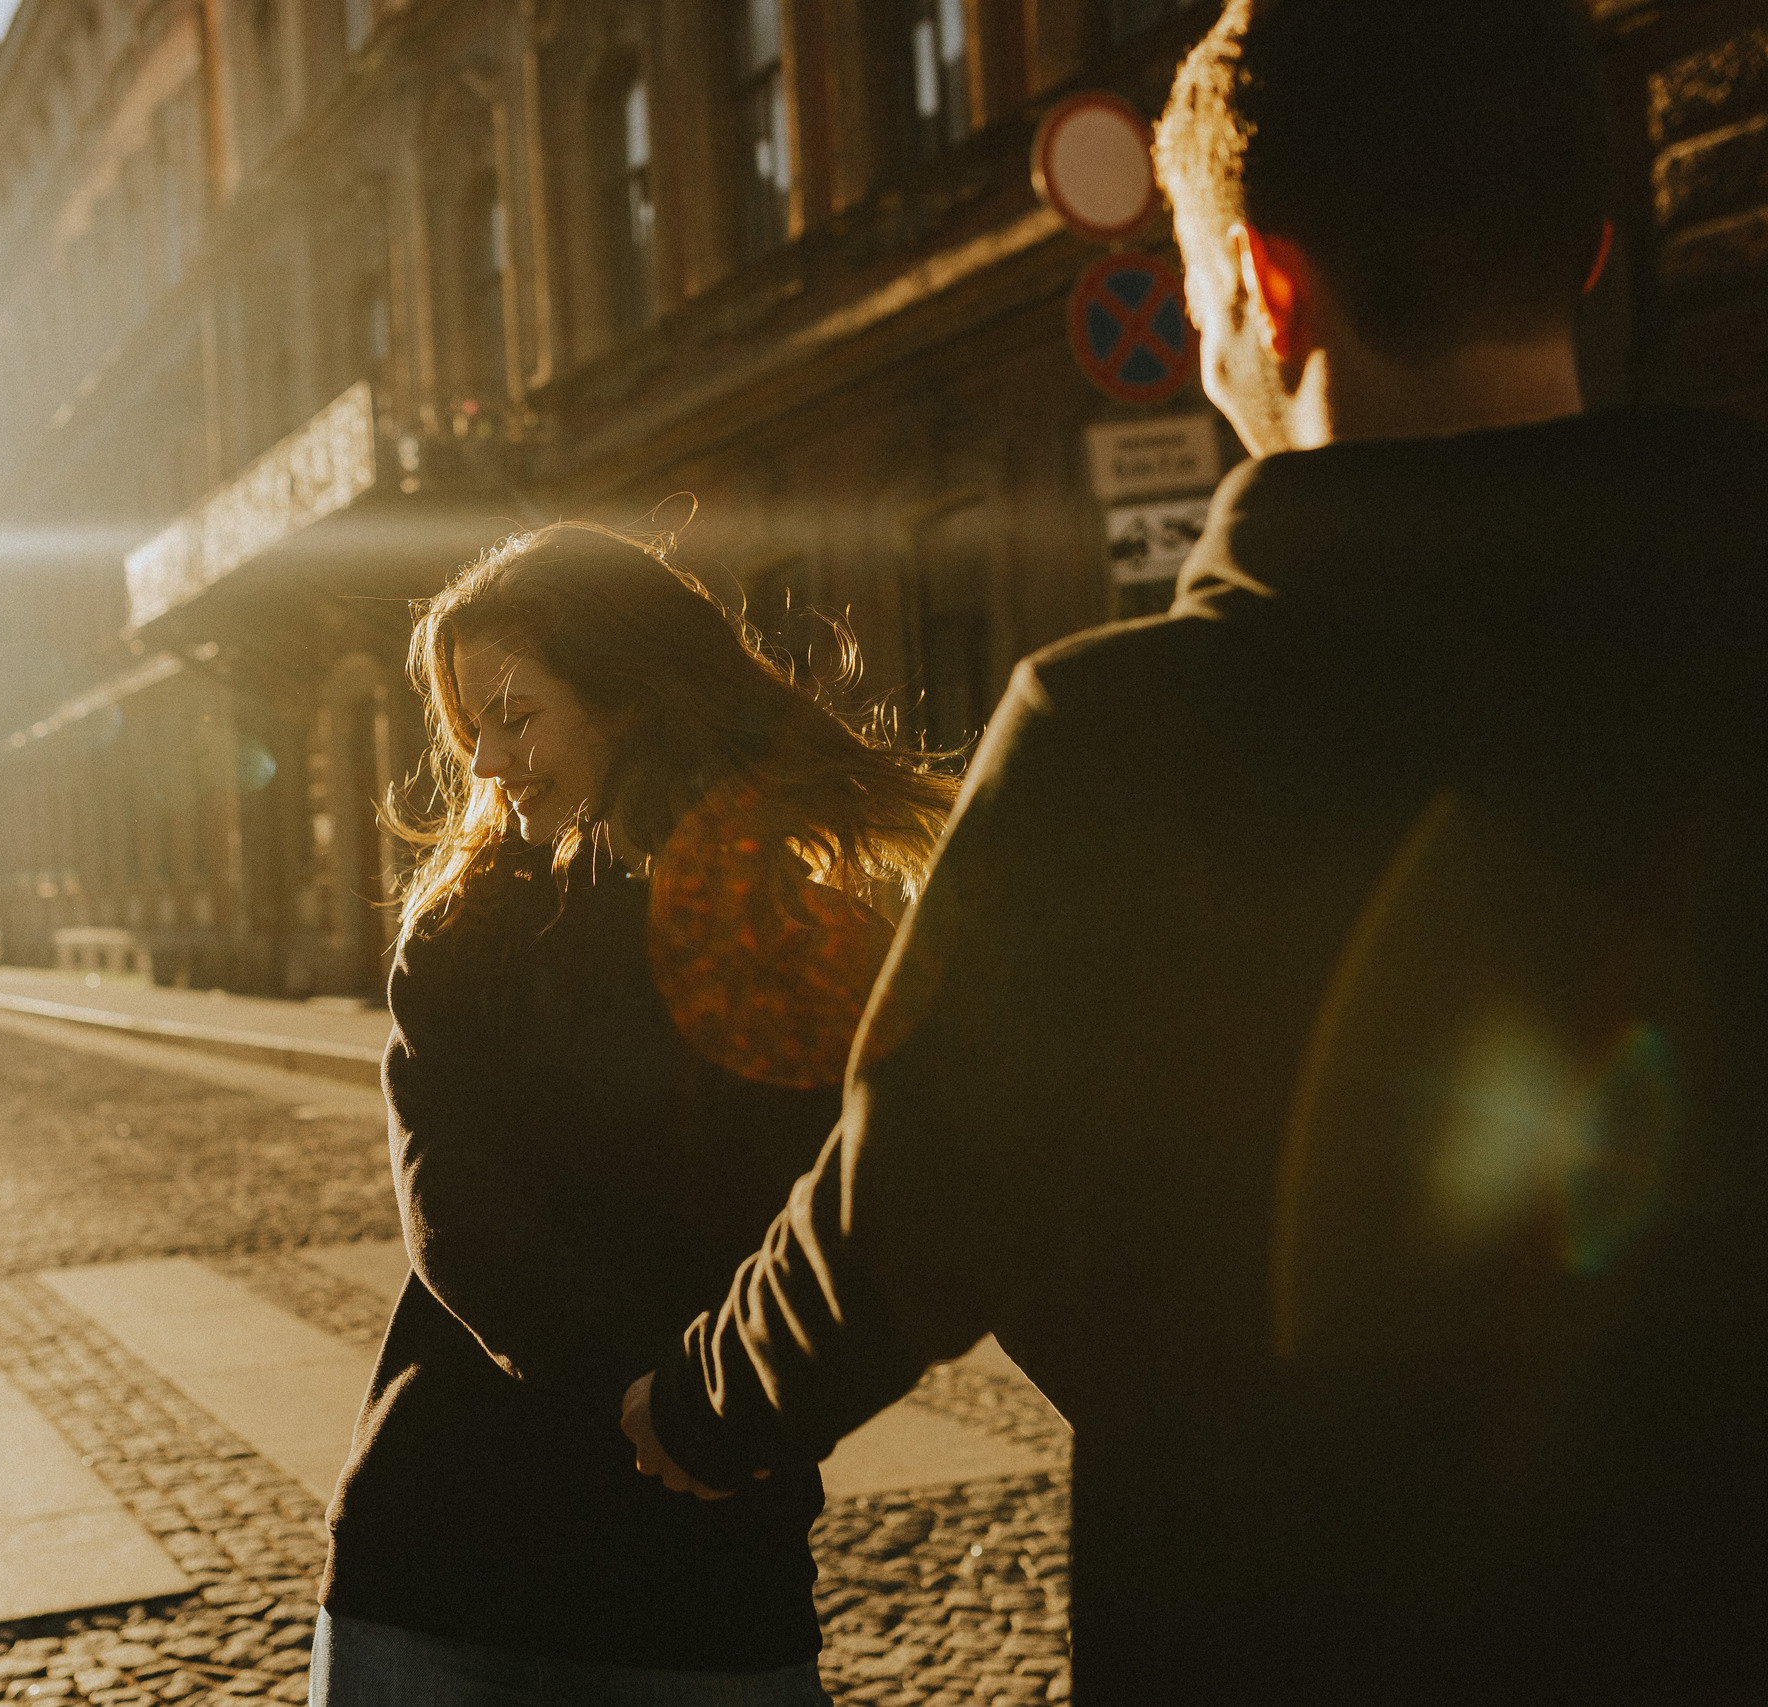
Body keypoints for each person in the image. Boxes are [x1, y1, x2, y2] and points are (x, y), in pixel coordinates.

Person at [620, 1, 1768, 1700]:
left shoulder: (1124, 734)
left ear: (1261, 290)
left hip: (1290, 1619)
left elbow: (915, 1203)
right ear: (1591, 252)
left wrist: (702, 1408)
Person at [313, 523, 957, 1705]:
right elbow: (455, 1220)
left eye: (517, 715)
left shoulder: (814, 938)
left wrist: (734, 1414)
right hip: (455, 1556)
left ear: (629, 701)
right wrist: (664, 1404)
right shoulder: (468, 937)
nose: (491, 763)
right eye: (473, 730)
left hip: (710, 1567)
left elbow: (879, 1211)